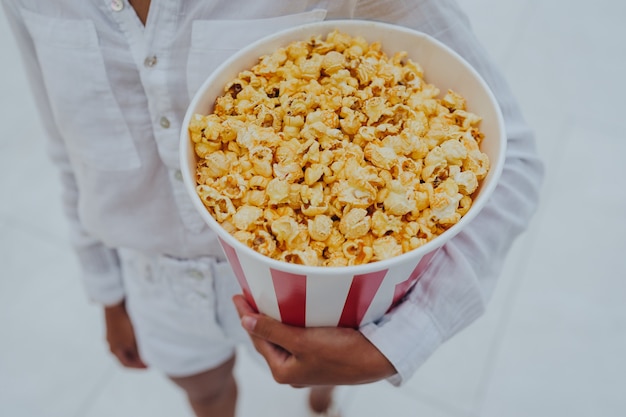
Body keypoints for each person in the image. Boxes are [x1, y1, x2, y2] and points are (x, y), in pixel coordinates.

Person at [2, 0, 543, 416]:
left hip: (321, 288)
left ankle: (322, 401)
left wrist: (395, 344)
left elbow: (508, 158)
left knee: (320, 373)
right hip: (150, 280)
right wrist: (107, 293)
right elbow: (67, 150)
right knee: (205, 391)